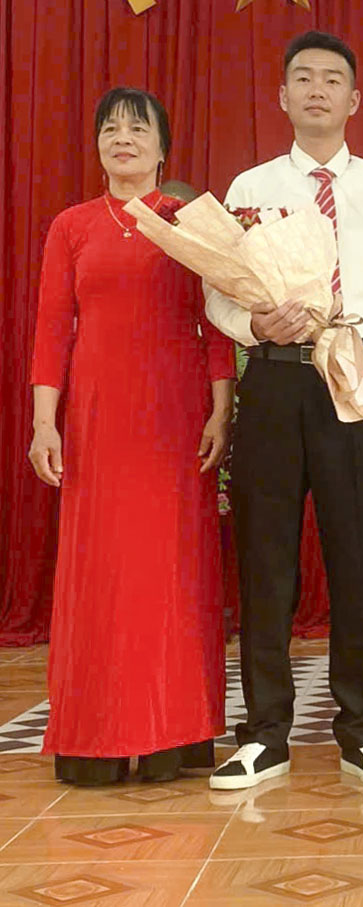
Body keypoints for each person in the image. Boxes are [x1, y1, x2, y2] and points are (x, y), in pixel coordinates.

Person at [206, 30, 363, 791]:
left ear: (354, 99)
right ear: (281, 96)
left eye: (331, 79)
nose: (316, 90)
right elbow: (216, 292)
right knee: (265, 559)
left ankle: (362, 729)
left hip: (357, 377)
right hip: (274, 382)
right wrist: (252, 324)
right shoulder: (250, 186)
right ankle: (265, 732)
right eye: (301, 77)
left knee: (360, 557)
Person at [29, 88, 235, 787]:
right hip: (97, 420)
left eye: (138, 129)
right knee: (102, 572)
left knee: (172, 569)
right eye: (111, 128)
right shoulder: (71, 226)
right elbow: (52, 329)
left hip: (175, 418)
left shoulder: (188, 220)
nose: (123, 138)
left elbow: (215, 324)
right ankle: (96, 736)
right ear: (97, 145)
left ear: (162, 148)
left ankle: (176, 730)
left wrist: (221, 410)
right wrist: (44, 421)